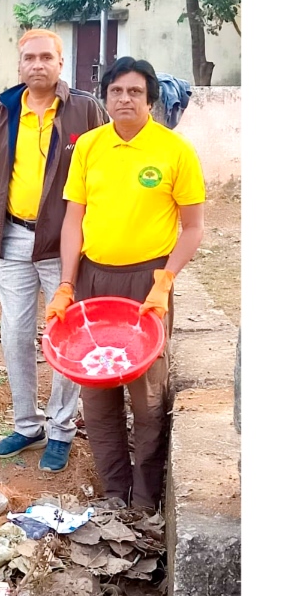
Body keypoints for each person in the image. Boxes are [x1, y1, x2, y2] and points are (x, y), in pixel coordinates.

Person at [46, 56, 205, 510]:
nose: (125, 99)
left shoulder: (174, 151)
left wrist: (164, 281)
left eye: (135, 92)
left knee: (148, 396)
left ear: (150, 99)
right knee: (96, 393)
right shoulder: (90, 147)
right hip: (95, 281)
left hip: (147, 283)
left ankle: (147, 498)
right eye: (116, 91)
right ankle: (115, 492)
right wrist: (66, 284)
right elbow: (73, 221)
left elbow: (193, 227)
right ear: (106, 97)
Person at [0, 29, 109, 472]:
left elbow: (105, 174)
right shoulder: (4, 110)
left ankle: (62, 428)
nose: (37, 65)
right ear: (19, 64)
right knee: (14, 333)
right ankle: (27, 424)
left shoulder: (85, 109)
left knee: (64, 335)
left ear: (60, 63)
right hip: (12, 238)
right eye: (29, 58)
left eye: (46, 57)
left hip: (63, 242)